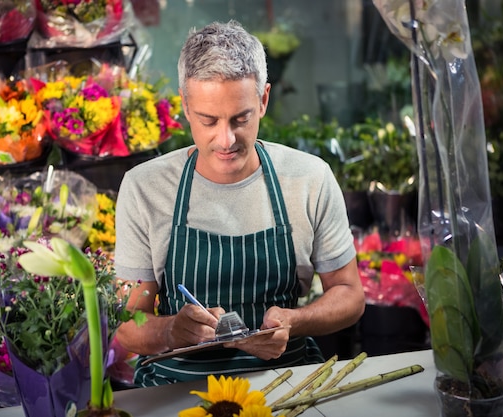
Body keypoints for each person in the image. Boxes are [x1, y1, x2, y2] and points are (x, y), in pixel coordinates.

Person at [114, 19, 365, 387]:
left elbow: (350, 295)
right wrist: (173, 330)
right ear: (185, 105)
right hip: (176, 386)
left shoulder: (310, 178)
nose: (226, 139)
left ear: (263, 100)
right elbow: (126, 325)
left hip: (285, 379)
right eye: (208, 120)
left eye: (241, 118)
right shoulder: (145, 188)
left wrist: (295, 321)